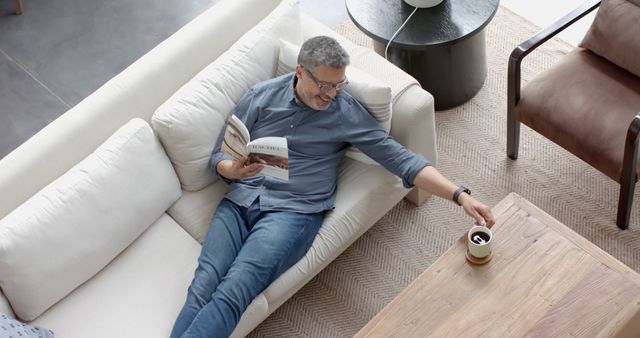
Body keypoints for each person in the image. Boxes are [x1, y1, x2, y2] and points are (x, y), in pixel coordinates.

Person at [170, 35, 495, 338]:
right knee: (203, 284)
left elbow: (402, 159)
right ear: (300, 72)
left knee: (233, 290)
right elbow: (220, 156)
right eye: (324, 85)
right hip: (240, 200)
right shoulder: (261, 96)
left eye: (338, 86)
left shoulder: (344, 113)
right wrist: (234, 170)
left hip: (292, 213)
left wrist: (459, 195)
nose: (331, 94)